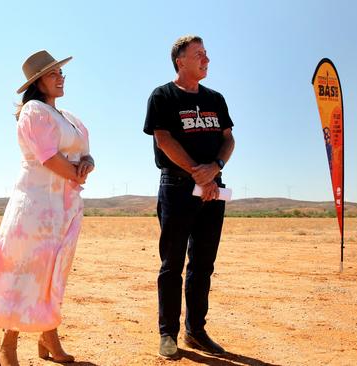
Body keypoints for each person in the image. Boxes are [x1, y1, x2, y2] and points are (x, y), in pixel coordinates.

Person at [0, 50, 94, 366]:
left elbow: (85, 153)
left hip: (65, 206)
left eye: (61, 72)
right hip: (36, 207)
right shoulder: (33, 111)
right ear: (38, 82)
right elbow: (48, 157)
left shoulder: (70, 118)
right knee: (25, 272)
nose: (61, 77)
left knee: (54, 271)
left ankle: (48, 336)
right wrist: (76, 171)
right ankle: (7, 345)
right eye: (54, 74)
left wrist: (87, 164)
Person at [143, 35, 235, 359]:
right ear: (180, 61)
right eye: (199, 54)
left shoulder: (216, 99)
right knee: (172, 265)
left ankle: (196, 330)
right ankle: (167, 333)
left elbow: (228, 138)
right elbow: (163, 138)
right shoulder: (162, 96)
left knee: (203, 264)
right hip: (178, 188)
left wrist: (216, 167)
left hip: (212, 189)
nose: (207, 59)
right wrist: (198, 170)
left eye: (207, 54)